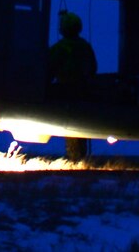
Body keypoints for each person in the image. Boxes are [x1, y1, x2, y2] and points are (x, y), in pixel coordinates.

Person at [48, 9, 98, 163]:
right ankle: (80, 158)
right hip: (84, 92)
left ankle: (74, 158)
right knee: (80, 126)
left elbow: (49, 68)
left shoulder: (59, 48)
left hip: (64, 91)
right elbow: (93, 67)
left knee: (69, 126)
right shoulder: (85, 47)